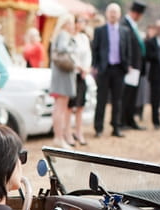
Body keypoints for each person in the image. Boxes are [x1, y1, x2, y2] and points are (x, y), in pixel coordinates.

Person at [91, 3, 131, 138]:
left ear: (119, 15)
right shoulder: (100, 30)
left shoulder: (125, 31)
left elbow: (128, 50)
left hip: (119, 69)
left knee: (117, 100)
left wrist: (128, 65)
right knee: (101, 99)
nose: (113, 14)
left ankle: (116, 127)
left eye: (115, 12)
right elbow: (95, 49)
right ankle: (98, 128)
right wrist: (95, 65)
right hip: (104, 69)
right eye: (111, 12)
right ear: (107, 14)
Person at [49, 14, 77, 148]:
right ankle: (59, 137)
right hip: (63, 76)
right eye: (71, 23)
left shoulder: (58, 35)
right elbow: (63, 48)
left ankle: (58, 137)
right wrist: (73, 50)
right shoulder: (64, 35)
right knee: (61, 108)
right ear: (66, 24)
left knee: (58, 108)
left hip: (59, 76)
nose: (73, 26)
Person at [120, 1, 147, 130]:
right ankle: (122, 120)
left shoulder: (133, 25)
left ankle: (130, 119)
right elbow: (124, 45)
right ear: (136, 13)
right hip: (129, 66)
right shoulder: (124, 24)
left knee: (132, 95)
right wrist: (128, 63)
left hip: (136, 66)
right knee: (126, 94)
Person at [67, 16, 92, 146]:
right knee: (70, 106)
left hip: (82, 75)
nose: (83, 23)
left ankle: (79, 132)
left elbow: (88, 55)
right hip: (72, 74)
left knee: (80, 105)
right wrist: (79, 67)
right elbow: (70, 56)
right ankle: (68, 132)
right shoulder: (70, 38)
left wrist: (86, 68)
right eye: (81, 21)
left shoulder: (84, 38)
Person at [145, 19, 160, 130]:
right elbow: (148, 56)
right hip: (155, 76)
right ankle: (156, 122)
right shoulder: (150, 42)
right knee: (155, 101)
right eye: (158, 27)